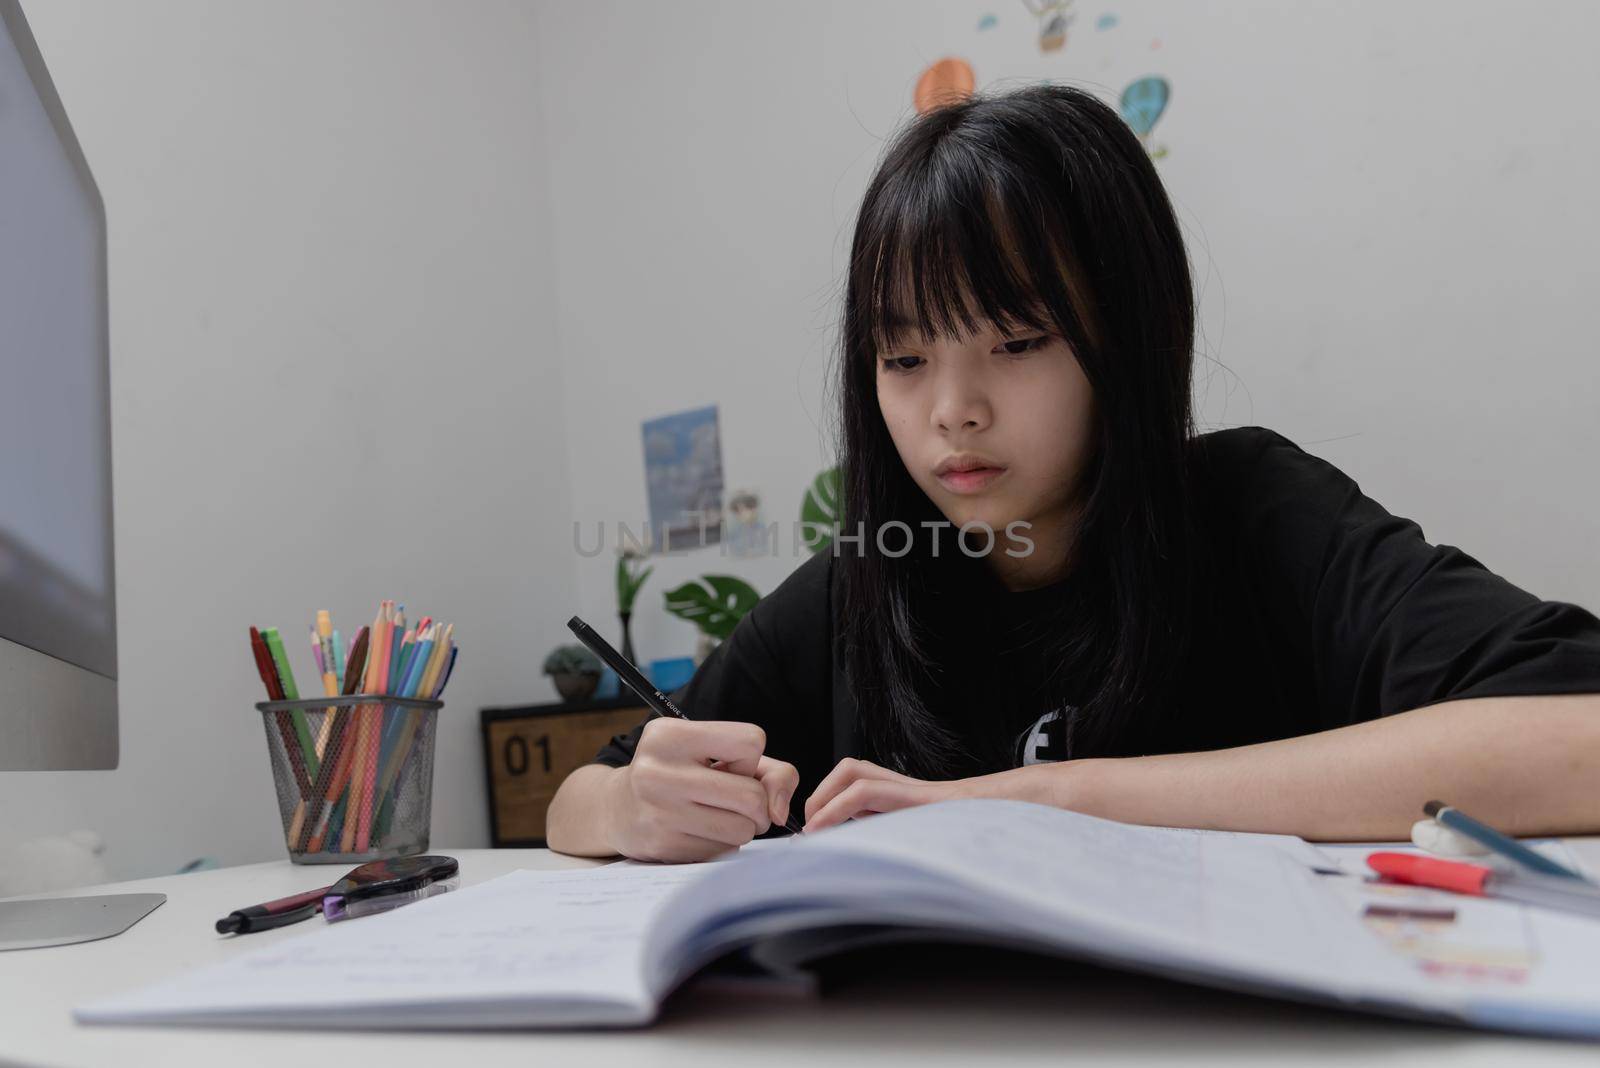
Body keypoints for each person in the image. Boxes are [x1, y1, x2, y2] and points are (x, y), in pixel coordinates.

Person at [545, 84, 1600, 862]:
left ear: (1127, 338)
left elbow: (1578, 735)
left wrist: (1045, 798)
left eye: (1014, 342)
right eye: (904, 359)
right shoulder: (868, 581)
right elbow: (576, 803)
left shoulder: (1254, 518)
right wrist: (636, 805)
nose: (951, 408)